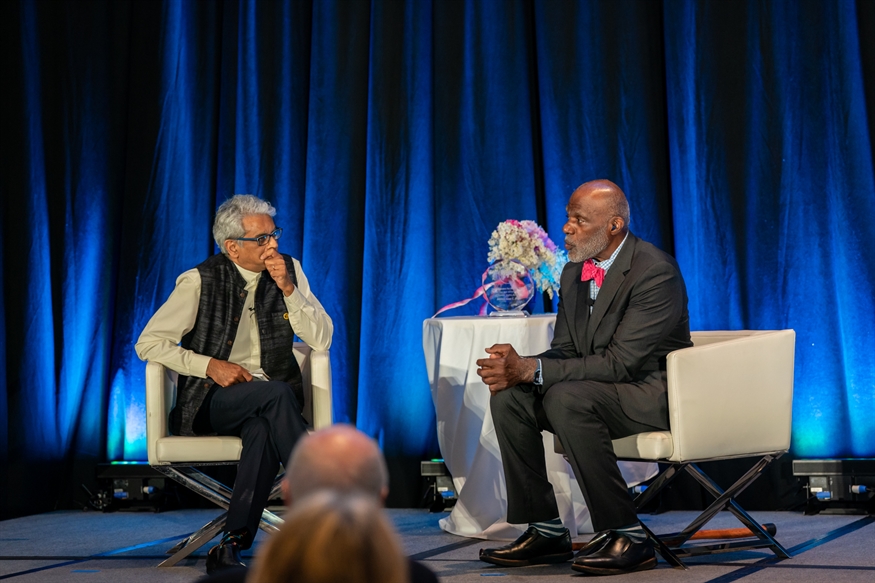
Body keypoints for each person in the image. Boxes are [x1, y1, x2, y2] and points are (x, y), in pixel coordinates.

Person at [476, 179, 692, 576]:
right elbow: (568, 351)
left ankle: (630, 535)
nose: (566, 229)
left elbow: (621, 363)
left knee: (566, 397)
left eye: (579, 220)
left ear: (614, 225)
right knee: (510, 395)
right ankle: (545, 529)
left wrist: (533, 369)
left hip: (652, 393)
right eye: (567, 218)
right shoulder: (575, 272)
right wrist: (520, 367)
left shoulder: (655, 272)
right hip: (596, 389)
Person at [136, 194, 333, 574]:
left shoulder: (289, 271)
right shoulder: (199, 280)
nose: (273, 244)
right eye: (262, 239)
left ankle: (230, 546)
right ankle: (322, 505)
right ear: (233, 247)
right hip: (215, 402)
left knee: (263, 428)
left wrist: (290, 291)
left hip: (270, 405)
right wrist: (209, 365)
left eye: (274, 234)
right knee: (276, 394)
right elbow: (148, 343)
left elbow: (322, 339)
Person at [196, 424, 439, 583]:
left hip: (265, 416)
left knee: (264, 423)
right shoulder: (418, 578)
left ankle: (233, 539)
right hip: (221, 401)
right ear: (381, 499)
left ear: (288, 495)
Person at [247, 490, 409, 583]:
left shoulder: (231, 579)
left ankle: (236, 535)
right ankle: (315, 487)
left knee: (260, 431)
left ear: (286, 492)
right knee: (273, 428)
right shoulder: (416, 575)